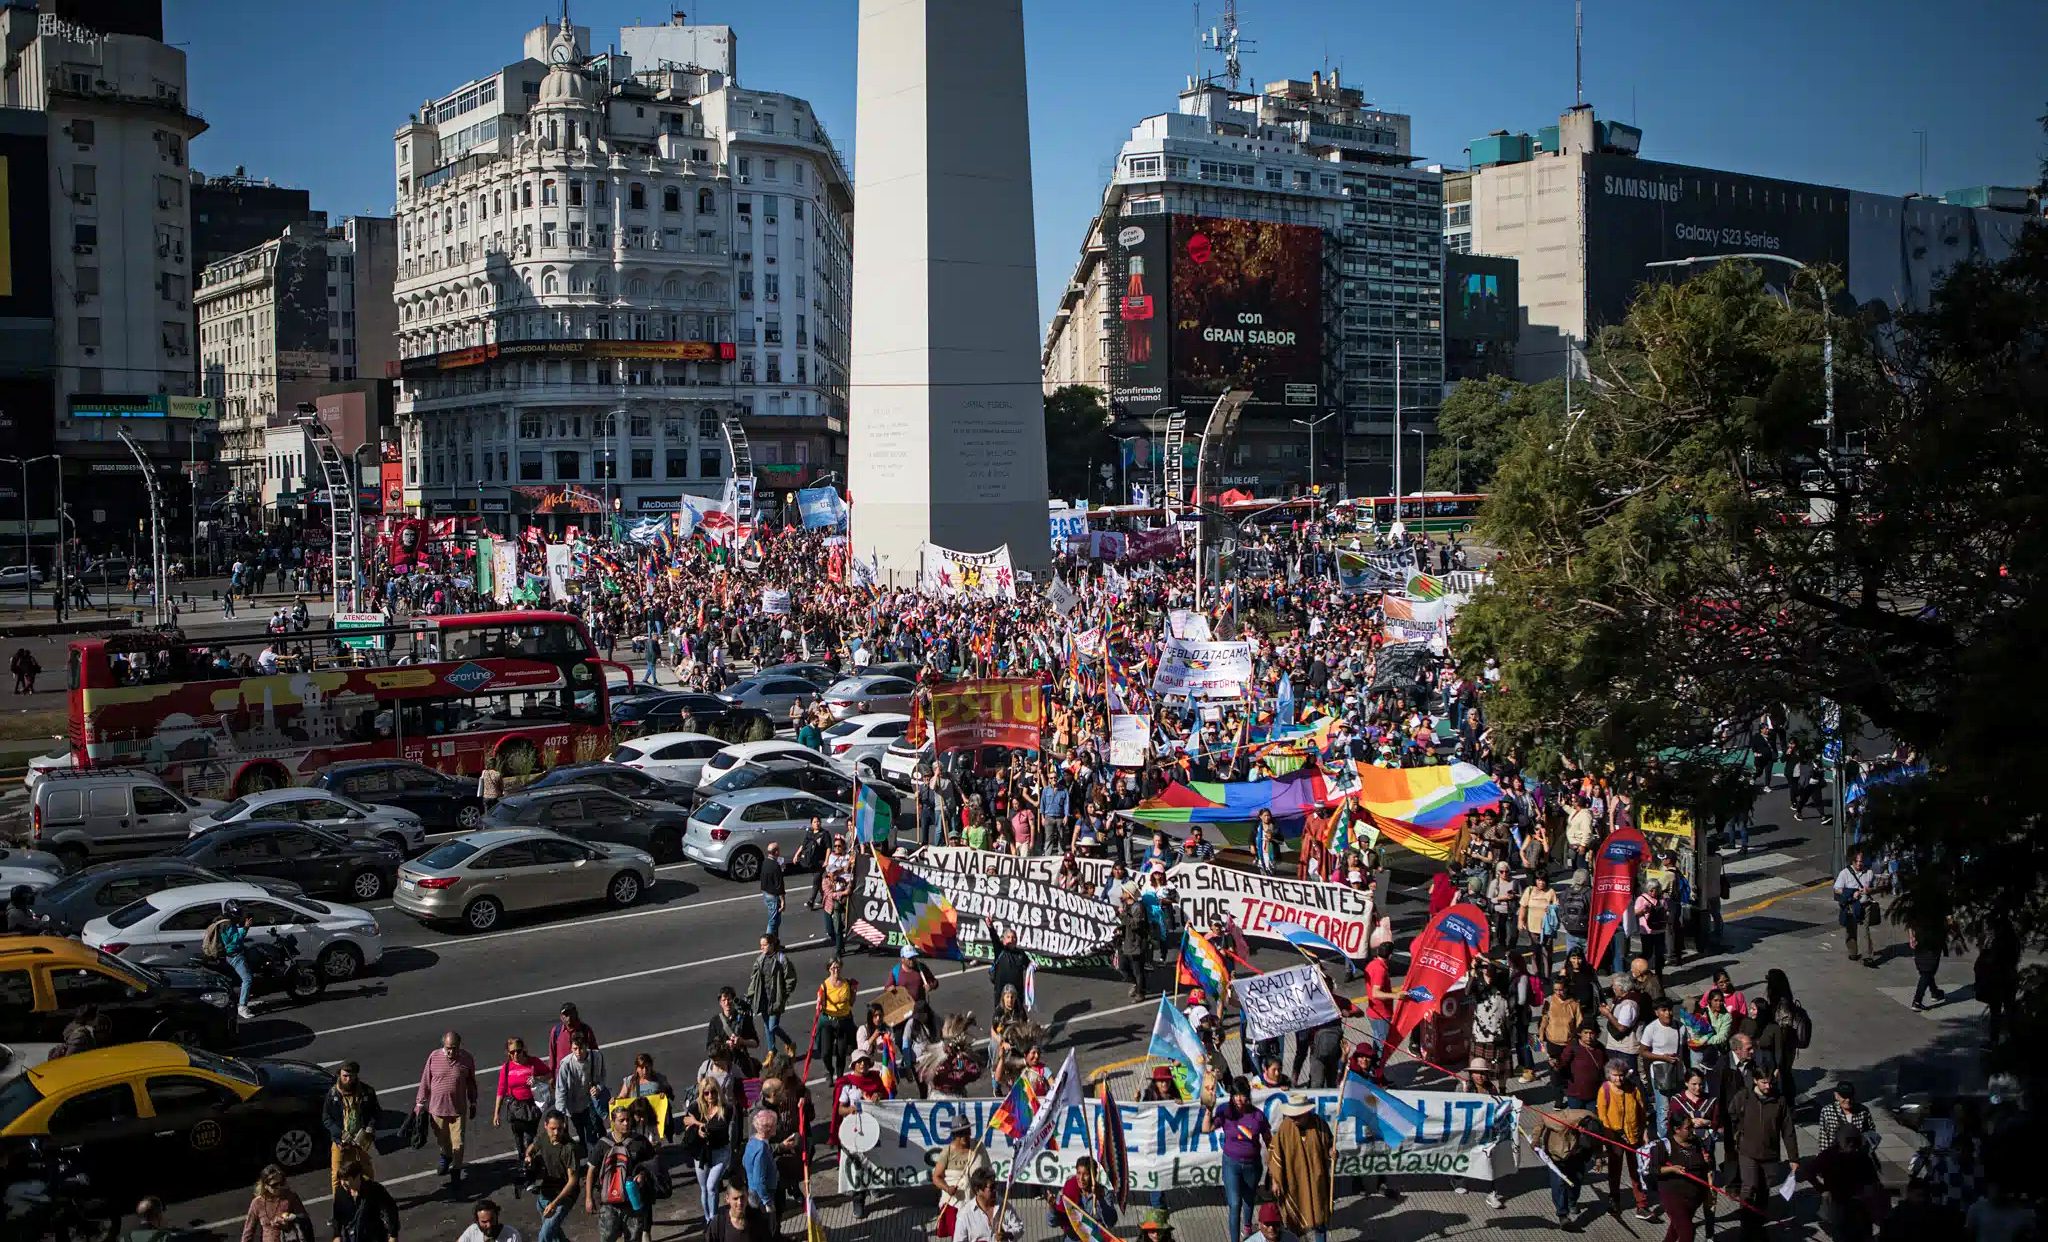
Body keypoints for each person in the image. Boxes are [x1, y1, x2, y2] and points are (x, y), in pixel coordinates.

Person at [1731, 1070, 1799, 1242]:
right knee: (1749, 1186)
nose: (1768, 1086)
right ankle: (1745, 1225)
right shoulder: (1743, 1097)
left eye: (1770, 1083)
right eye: (1763, 1082)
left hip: (1770, 1154)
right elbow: (1731, 1115)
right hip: (1748, 1152)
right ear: (1755, 1081)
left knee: (1764, 1189)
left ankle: (1758, 1222)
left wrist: (1793, 1157)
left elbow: (1788, 1130)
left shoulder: (1780, 1100)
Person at [413, 1030, 479, 1189]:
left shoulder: (466, 1059)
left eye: (455, 1048)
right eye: (448, 1048)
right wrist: (420, 1104)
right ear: (444, 1045)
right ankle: (446, 1155)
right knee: (442, 1140)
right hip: (437, 1110)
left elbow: (471, 1083)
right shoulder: (434, 1057)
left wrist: (473, 1102)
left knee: (459, 1143)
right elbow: (425, 1081)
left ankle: (456, 1171)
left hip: (458, 1110)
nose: (451, 1052)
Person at [1208, 1077, 1270, 1242]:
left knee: (1249, 1199)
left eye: (1242, 1095)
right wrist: (1208, 1108)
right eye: (1235, 1095)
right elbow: (1206, 1128)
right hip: (1231, 1165)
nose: (1239, 1099)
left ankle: (1248, 1227)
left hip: (1253, 1166)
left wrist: (1274, 1163)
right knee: (1235, 1204)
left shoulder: (1258, 1116)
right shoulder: (1225, 1112)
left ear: (1248, 1095)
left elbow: (1269, 1140)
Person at [1268, 1096, 1335, 1242]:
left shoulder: (1319, 1124)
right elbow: (1275, 1153)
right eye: (1292, 1116)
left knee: (1320, 1219)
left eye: (1297, 1116)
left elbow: (1329, 1143)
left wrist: (1332, 1152)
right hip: (1294, 1183)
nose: (1294, 1119)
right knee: (1294, 1223)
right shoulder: (1285, 1127)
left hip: (1317, 1181)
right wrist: (1275, 1180)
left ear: (1306, 1113)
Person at [586, 1108, 656, 1242]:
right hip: (608, 1204)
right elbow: (591, 1170)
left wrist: (643, 1175)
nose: (626, 1123)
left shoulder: (640, 1142)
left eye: (628, 1119)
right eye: (621, 1120)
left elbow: (653, 1165)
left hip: (633, 1201)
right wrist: (589, 1198)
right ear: (613, 1122)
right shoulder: (602, 1144)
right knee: (607, 1237)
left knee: (634, 1237)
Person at [1596, 1059, 1653, 1220]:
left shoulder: (1633, 1088)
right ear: (1609, 1075)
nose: (1618, 1079)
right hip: (1614, 1138)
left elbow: (1641, 1111)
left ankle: (1641, 1205)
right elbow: (1602, 1116)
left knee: (1637, 1171)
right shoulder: (1605, 1090)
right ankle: (1614, 1201)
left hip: (1634, 1136)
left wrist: (1644, 1133)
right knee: (1615, 1171)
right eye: (1615, 1075)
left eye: (1621, 1075)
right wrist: (1610, 1136)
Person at [678, 1076, 735, 1229]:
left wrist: (697, 1123)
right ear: (701, 1094)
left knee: (711, 1186)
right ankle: (708, 1219)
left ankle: (714, 1219)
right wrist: (697, 1130)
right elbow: (685, 1121)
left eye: (714, 1092)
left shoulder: (726, 1108)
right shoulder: (696, 1107)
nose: (710, 1096)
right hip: (701, 1153)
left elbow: (719, 1127)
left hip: (720, 1152)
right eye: (706, 1093)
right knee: (704, 1188)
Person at [1532, 1106, 1601, 1227]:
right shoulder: (1559, 1120)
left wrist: (1598, 1158)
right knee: (1558, 1183)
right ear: (1579, 1126)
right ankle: (1562, 1215)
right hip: (1557, 1154)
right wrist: (1536, 1138)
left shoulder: (1595, 1123)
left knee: (1577, 1180)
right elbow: (1542, 1118)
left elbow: (1597, 1141)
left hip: (1578, 1155)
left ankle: (1572, 1202)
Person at [1650, 1114, 1715, 1242]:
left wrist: (1708, 1160)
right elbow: (1654, 1169)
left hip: (1694, 1196)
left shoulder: (1697, 1142)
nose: (1692, 1130)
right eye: (1688, 1128)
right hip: (1673, 1195)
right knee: (1687, 1232)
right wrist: (1672, 1169)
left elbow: (1707, 1167)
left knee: (1675, 1229)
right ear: (1676, 1129)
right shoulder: (1663, 1145)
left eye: (1692, 1127)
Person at [494, 1037, 551, 1180]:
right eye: (512, 1052)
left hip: (531, 1107)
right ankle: (524, 1164)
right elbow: (501, 1091)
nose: (515, 1055)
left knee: (529, 1139)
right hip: (514, 1108)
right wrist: (496, 1113)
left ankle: (530, 1167)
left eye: (518, 1051)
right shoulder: (506, 1068)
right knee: (519, 1141)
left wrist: (538, 1080)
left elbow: (549, 1075)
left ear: (523, 1050)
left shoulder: (533, 1063)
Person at [526, 1110, 584, 1242]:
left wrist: (554, 1204)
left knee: (544, 1236)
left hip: (564, 1196)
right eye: (553, 1129)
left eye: (560, 1129)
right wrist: (528, 1156)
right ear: (545, 1126)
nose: (556, 1133)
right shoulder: (543, 1138)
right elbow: (532, 1148)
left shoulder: (569, 1149)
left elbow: (573, 1181)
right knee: (554, 1231)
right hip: (547, 1191)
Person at [322, 1062, 379, 1194]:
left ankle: (369, 1199)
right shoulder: (332, 1094)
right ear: (339, 1075)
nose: (348, 1080)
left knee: (366, 1171)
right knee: (337, 1175)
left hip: (360, 1141)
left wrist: (369, 1128)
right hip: (340, 1142)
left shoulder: (367, 1092)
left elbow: (375, 1113)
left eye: (351, 1076)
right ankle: (340, 1205)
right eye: (345, 1076)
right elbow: (326, 1118)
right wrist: (340, 1133)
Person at [932, 1115, 992, 1237]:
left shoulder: (978, 1147)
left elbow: (988, 1172)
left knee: (976, 1234)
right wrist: (947, 1188)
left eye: (966, 1132)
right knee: (958, 1236)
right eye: (960, 1133)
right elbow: (936, 1177)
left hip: (976, 1202)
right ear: (955, 1135)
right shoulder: (947, 1152)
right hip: (955, 1204)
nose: (964, 1136)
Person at [746, 934, 800, 1064]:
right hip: (763, 998)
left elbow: (791, 979)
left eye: (764, 945)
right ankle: (771, 1051)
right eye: (761, 945)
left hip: (776, 999)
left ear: (771, 945)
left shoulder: (781, 959)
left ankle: (789, 1043)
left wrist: (784, 995)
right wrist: (751, 994)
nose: (762, 947)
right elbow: (754, 979)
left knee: (773, 1026)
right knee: (766, 1026)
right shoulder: (760, 960)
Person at [553, 1028, 608, 1147]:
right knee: (580, 1133)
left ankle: (595, 1158)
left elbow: (603, 1077)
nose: (578, 1052)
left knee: (592, 1135)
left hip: (590, 1104)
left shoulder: (597, 1057)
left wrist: (598, 1087)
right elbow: (560, 1090)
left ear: (586, 1046)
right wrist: (561, 1116)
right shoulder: (566, 1064)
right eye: (575, 1049)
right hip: (573, 1106)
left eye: (581, 1048)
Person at [206, 901, 257, 1020]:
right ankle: (242, 1007)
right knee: (247, 979)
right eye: (238, 911)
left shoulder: (221, 921)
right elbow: (234, 942)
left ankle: (243, 999)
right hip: (234, 955)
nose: (240, 913)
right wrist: (245, 928)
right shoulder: (227, 924)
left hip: (226, 955)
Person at [330, 1158, 400, 1242]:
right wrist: (337, 1235)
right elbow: (337, 1215)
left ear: (357, 1177)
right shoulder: (341, 1192)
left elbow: (390, 1210)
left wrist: (393, 1235)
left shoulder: (374, 1189)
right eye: (341, 1179)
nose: (343, 1183)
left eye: (346, 1179)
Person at [240, 1164, 310, 1242]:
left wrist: (291, 1219)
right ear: (265, 1186)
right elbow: (248, 1231)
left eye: (281, 1183)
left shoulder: (290, 1197)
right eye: (274, 1185)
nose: (279, 1187)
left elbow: (304, 1218)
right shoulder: (257, 1203)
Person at [1056, 1155, 1119, 1239]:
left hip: (1094, 1238)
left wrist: (1100, 1199)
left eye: (1085, 1174)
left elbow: (1110, 1222)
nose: (1081, 1178)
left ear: (1094, 1175)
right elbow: (1052, 1222)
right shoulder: (1068, 1188)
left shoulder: (1103, 1192)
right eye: (1078, 1173)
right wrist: (1052, 1208)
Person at [817, 956, 859, 1080]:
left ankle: (840, 1077)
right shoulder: (824, 986)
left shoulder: (846, 983)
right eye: (833, 968)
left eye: (838, 967)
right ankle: (830, 1071)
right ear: (829, 969)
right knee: (826, 1053)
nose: (836, 970)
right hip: (829, 1021)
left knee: (841, 1052)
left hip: (843, 1020)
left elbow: (851, 1003)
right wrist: (819, 1002)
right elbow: (821, 1005)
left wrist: (854, 992)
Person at [1834, 850, 1880, 964]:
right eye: (1857, 861)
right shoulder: (1844, 873)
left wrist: (1869, 890)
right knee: (1851, 930)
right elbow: (1837, 889)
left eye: (1861, 861)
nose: (1859, 864)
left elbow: (1875, 887)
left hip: (1865, 905)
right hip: (1851, 906)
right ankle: (1852, 952)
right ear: (1853, 862)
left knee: (1865, 930)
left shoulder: (1869, 873)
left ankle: (1868, 956)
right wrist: (1851, 893)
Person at [953, 1167, 1023, 1242]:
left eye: (996, 1185)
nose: (995, 1190)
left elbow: (1019, 1227)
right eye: (992, 1187)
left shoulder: (1003, 1205)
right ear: (977, 1190)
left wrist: (1008, 1234)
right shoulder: (965, 1214)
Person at [704, 1182, 776, 1242]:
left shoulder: (757, 1219)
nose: (740, 1202)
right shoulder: (719, 1223)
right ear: (727, 1199)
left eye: (742, 1197)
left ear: (747, 1196)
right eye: (735, 1198)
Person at [1116, 885, 1154, 1000]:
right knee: (1122, 966)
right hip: (1126, 941)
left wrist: (1123, 915)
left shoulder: (1138, 907)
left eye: (1123, 892)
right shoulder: (1125, 906)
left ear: (1128, 894)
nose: (1121, 894)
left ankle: (1140, 992)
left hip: (1136, 942)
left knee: (1138, 969)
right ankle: (1137, 985)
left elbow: (1136, 925)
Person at [740, 1107, 779, 1215]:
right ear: (768, 1129)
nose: (776, 1126)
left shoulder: (752, 1140)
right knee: (766, 1224)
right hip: (761, 1194)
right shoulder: (762, 1149)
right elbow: (759, 1180)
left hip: (752, 1190)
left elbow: (744, 1161)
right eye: (775, 1125)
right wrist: (767, 1202)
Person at [455, 1200, 521, 1242]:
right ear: (477, 1221)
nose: (489, 1225)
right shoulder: (472, 1231)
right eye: (484, 1222)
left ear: (497, 1216)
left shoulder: (512, 1235)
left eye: (492, 1220)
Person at [758, 842, 787, 939]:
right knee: (773, 921)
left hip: (766, 893)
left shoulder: (765, 862)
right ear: (776, 852)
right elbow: (779, 885)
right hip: (773, 896)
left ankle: (775, 942)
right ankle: (768, 942)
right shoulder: (775, 866)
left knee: (775, 920)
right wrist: (783, 900)